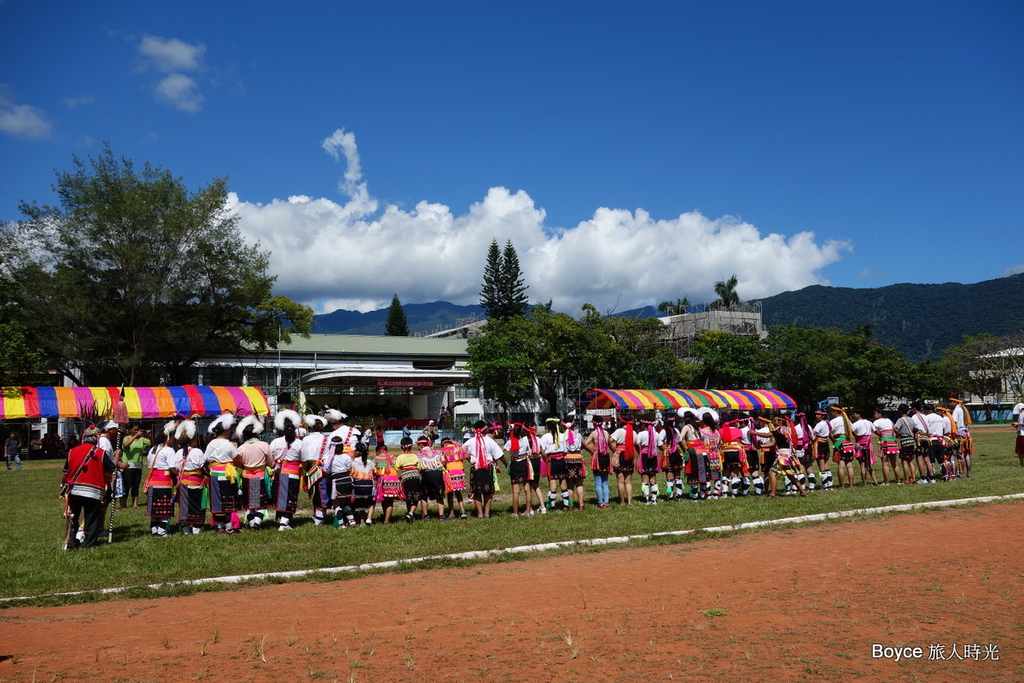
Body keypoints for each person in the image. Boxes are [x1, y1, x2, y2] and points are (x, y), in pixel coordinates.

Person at [61, 426, 127, 548]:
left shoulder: (72, 451)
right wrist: (117, 456)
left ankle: (71, 541)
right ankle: (89, 543)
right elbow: (111, 468)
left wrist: (63, 485)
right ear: (96, 439)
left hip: (74, 490)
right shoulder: (100, 453)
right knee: (91, 518)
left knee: (73, 517)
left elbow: (65, 472)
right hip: (93, 491)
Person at [205, 412, 241, 533]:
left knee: (217, 501)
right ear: (226, 431)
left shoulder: (211, 444)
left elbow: (206, 460)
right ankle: (229, 526)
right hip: (227, 475)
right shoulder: (228, 444)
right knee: (228, 500)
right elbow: (237, 458)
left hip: (214, 474)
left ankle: (220, 526)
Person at [270, 410, 303, 530]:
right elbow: (303, 459)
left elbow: (270, 457)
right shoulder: (299, 443)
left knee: (280, 496)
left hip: (279, 473)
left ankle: (283, 519)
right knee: (290, 496)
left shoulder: (275, 442)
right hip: (293, 473)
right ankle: (284, 522)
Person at [464, 421, 506, 518]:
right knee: (488, 492)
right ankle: (487, 514)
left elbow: (461, 451)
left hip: (475, 468)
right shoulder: (490, 441)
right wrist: (507, 464)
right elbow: (500, 455)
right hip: (488, 468)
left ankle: (480, 514)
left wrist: (470, 460)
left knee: (477, 492)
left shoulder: (470, 441)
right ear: (485, 429)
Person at [145, 422, 181, 536]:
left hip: (152, 482)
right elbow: (172, 468)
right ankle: (162, 530)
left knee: (155, 507)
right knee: (164, 507)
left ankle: (154, 529)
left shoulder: (153, 449)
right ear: (168, 437)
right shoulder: (168, 450)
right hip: (164, 482)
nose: (174, 440)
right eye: (173, 437)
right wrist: (179, 472)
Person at [299, 414, 333, 526]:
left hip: (310, 467)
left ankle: (318, 515)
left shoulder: (306, 439)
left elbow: (303, 456)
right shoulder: (326, 439)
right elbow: (329, 456)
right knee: (322, 492)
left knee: (317, 492)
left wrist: (305, 468)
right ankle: (320, 515)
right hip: (323, 468)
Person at [175, 420, 208, 534]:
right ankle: (196, 528)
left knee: (184, 505)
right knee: (197, 505)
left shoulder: (178, 452)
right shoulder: (197, 451)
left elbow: (176, 467)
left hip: (183, 482)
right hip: (197, 483)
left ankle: (186, 529)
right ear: (192, 440)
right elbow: (203, 467)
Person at [540, 417, 571, 510]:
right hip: (561, 460)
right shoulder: (562, 435)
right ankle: (565, 505)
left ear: (547, 426)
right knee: (563, 482)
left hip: (551, 462)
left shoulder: (545, 437)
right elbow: (565, 450)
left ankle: (552, 506)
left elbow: (542, 450)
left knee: (552, 484)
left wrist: (545, 458)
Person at [583, 415, 612, 508]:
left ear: (594, 423)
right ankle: (606, 501)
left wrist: (592, 449)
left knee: (598, 482)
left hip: (597, 458)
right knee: (605, 482)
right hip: (606, 457)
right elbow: (609, 443)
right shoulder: (606, 433)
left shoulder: (593, 433)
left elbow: (586, 444)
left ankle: (600, 502)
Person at [416, 435, 447, 520]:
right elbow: (443, 462)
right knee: (439, 496)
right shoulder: (437, 452)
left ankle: (425, 515)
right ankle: (441, 516)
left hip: (427, 475)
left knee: (424, 496)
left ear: (421, 445)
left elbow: (418, 467)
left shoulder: (419, 454)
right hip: (438, 474)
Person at [506, 423, 534, 517]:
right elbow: (529, 452)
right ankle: (528, 511)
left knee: (516, 490)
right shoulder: (525, 440)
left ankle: (515, 512)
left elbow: (501, 451)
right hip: (524, 464)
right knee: (527, 489)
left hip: (515, 465)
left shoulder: (510, 442)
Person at [120, 423, 150, 508]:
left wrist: (149, 436)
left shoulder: (142, 439)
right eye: (135, 430)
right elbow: (125, 445)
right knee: (127, 485)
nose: (137, 431)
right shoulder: (127, 438)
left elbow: (151, 443)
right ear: (130, 430)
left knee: (136, 485)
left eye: (138, 430)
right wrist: (135, 435)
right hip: (128, 465)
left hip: (138, 465)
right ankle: (123, 504)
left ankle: (135, 503)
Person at [635, 417, 663, 505]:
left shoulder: (641, 434)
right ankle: (654, 499)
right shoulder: (656, 434)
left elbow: (636, 443)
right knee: (653, 477)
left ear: (644, 424)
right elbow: (660, 445)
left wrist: (640, 451)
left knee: (644, 478)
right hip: (653, 455)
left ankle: (646, 499)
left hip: (644, 455)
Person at [395, 437, 424, 522]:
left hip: (405, 478)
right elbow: (419, 467)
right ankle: (411, 513)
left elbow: (396, 468)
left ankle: (409, 513)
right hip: (415, 478)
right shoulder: (415, 456)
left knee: (408, 498)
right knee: (416, 498)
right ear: (411, 446)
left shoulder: (400, 457)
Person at [609, 416, 636, 504]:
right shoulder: (633, 432)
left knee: (620, 481)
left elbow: (610, 440)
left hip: (620, 454)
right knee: (628, 482)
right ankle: (629, 502)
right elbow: (636, 444)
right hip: (630, 455)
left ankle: (622, 502)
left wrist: (614, 449)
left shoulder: (619, 431)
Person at [374, 443, 403, 524]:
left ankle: (385, 519)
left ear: (377, 452)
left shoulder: (377, 458)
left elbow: (374, 471)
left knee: (384, 500)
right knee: (390, 501)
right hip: (394, 480)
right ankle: (387, 519)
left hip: (384, 480)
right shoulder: (393, 457)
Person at [440, 437, 469, 519]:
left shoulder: (443, 450)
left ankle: (451, 513)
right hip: (460, 471)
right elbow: (465, 457)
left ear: (443, 443)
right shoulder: (459, 448)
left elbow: (442, 462)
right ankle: (463, 511)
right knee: (458, 492)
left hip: (450, 472)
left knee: (450, 493)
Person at [562, 418, 586, 510]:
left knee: (570, 484)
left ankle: (570, 505)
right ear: (573, 425)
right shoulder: (578, 435)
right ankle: (581, 505)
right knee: (579, 484)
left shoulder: (563, 436)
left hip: (567, 460)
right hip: (578, 460)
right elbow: (582, 445)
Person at [850, 409, 879, 486]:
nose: (854, 415)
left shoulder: (856, 424)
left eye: (855, 413)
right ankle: (875, 481)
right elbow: (875, 431)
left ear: (859, 414)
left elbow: (852, 431)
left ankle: (865, 482)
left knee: (862, 465)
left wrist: (856, 436)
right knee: (868, 465)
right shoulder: (869, 422)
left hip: (860, 445)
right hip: (868, 445)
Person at [350, 442, 376, 525]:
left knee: (360, 504)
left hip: (358, 484)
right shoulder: (370, 462)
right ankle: (369, 518)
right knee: (371, 502)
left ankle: (362, 522)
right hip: (369, 484)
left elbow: (351, 472)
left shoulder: (353, 462)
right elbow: (374, 472)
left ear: (357, 452)